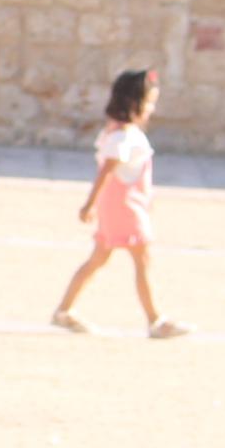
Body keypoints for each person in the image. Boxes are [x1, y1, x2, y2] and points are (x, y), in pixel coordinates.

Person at [53, 67, 185, 338]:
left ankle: (64, 310)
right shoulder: (122, 137)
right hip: (125, 207)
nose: (151, 109)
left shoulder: (117, 133)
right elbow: (107, 170)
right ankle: (155, 319)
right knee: (141, 259)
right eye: (148, 103)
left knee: (98, 259)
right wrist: (89, 204)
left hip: (124, 205)